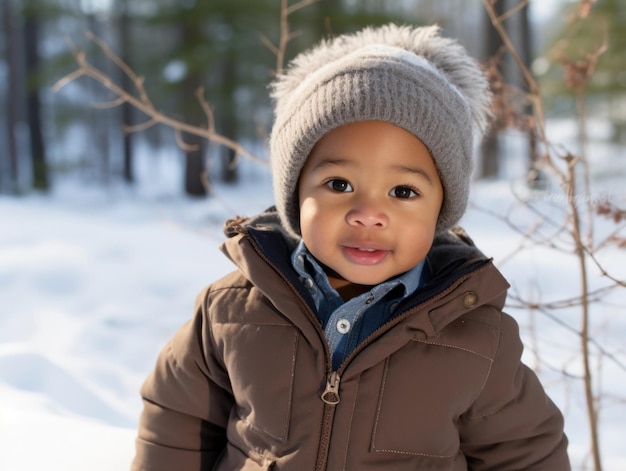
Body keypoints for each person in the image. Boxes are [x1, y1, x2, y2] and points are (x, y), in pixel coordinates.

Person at [131, 24, 570, 470]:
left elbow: (525, 453)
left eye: (403, 192)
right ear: (294, 193)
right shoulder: (230, 310)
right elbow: (177, 421)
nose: (368, 213)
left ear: (441, 209)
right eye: (339, 184)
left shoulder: (475, 337)